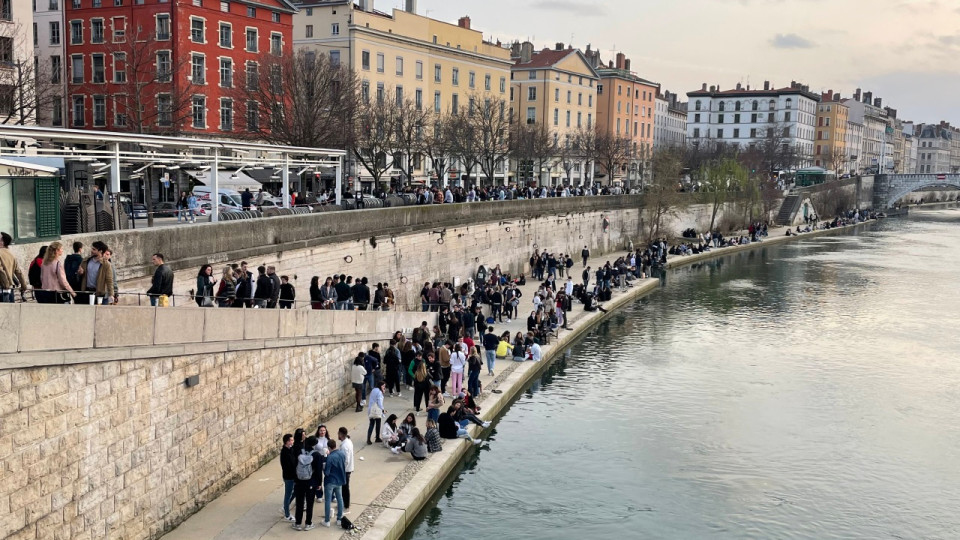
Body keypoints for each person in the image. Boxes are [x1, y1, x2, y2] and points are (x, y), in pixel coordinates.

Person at [292, 436, 322, 531]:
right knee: (309, 504)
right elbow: (318, 470)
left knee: (299, 503)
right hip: (311, 482)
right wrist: (319, 483)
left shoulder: (299, 452)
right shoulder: (316, 455)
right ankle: (308, 523)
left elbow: (294, 466)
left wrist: (295, 479)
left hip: (299, 482)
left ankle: (297, 523)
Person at [77, 241, 113, 305]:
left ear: (100, 251)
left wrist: (111, 294)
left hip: (99, 293)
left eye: (94, 249)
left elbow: (109, 280)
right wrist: (80, 273)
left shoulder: (106, 264)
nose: (91, 251)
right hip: (86, 291)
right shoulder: (86, 261)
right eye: (92, 249)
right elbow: (79, 275)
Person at [322, 439, 345, 527]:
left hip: (330, 481)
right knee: (340, 498)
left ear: (329, 447)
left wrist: (323, 467)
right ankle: (339, 518)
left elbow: (327, 472)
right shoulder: (342, 454)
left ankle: (327, 521)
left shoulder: (330, 457)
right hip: (339, 480)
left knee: (328, 500)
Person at [0, 232, 26, 303]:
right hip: (9, 288)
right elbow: (18, 272)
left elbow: (0, 270)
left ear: (2, 242)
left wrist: (5, 284)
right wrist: (24, 285)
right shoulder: (12, 254)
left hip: (3, 286)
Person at [279, 433, 297, 522]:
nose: (293, 442)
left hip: (292, 476)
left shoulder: (290, 450)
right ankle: (287, 514)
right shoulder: (285, 453)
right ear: (287, 442)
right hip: (289, 477)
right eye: (291, 440)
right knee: (288, 495)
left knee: (296, 491)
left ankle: (286, 506)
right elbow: (288, 466)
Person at [338, 427, 355, 513]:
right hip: (348, 468)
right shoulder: (348, 441)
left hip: (345, 470)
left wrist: (341, 470)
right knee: (344, 487)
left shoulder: (344, 446)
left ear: (341, 434)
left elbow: (346, 460)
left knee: (345, 488)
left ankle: (346, 506)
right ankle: (345, 503)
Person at [366, 381, 385, 445]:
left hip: (371, 409)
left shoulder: (374, 390)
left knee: (371, 424)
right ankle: (377, 437)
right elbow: (379, 402)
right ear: (380, 386)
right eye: (383, 386)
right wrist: (383, 410)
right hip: (377, 410)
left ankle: (368, 438)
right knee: (378, 424)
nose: (384, 387)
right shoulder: (379, 392)